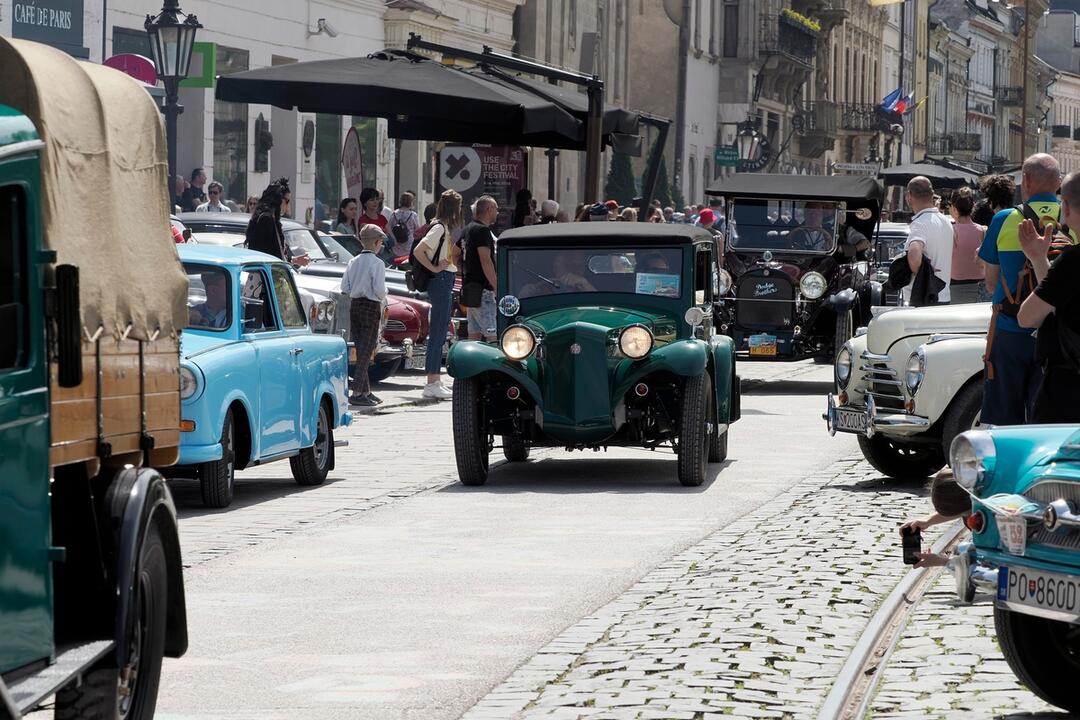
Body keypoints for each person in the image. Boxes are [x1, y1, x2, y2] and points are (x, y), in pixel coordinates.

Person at [979, 153, 1062, 426]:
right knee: (1050, 417)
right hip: (1058, 334)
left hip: (1010, 328)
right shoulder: (1072, 219)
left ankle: (1005, 467)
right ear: (1058, 183)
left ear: (1025, 180)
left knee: (1003, 417)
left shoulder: (1005, 219)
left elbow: (991, 280)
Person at [1016, 170, 1080, 423]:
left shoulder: (1073, 261)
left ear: (1064, 205)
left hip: (1069, 389)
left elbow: (1027, 317)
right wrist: (1039, 259)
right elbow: (1057, 301)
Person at [414, 189, 463, 399]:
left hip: (444, 278)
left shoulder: (440, 227)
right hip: (441, 279)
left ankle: (435, 379)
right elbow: (419, 250)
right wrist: (435, 268)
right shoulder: (440, 228)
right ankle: (431, 381)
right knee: (438, 331)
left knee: (442, 329)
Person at [341, 225, 389, 407]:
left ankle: (366, 390)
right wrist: (385, 292)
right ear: (377, 242)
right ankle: (356, 392)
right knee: (367, 351)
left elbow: (345, 288)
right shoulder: (377, 264)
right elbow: (378, 290)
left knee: (362, 348)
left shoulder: (353, 261)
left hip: (355, 306)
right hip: (370, 306)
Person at [899, 470, 972, 568]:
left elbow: (988, 564)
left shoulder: (991, 523)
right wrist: (927, 520)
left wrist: (943, 561)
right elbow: (964, 508)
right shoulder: (980, 490)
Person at [904, 176, 954, 306]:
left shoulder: (920, 223)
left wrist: (925, 273)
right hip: (943, 295)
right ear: (932, 195)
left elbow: (914, 255)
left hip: (923, 297)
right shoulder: (946, 222)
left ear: (909, 196)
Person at [245, 178, 308, 266]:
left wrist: (293, 260)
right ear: (278, 199)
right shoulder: (266, 219)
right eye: (287, 201)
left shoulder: (272, 219)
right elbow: (265, 255)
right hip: (265, 275)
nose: (288, 205)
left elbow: (275, 253)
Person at [462, 196, 499, 342]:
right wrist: (497, 287)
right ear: (489, 209)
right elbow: (486, 260)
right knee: (492, 336)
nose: (498, 213)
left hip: (471, 291)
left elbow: (455, 252)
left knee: (474, 336)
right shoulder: (483, 231)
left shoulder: (468, 229)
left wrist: (468, 269)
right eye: (496, 209)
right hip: (483, 291)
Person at [948, 187, 986, 304]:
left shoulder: (951, 231)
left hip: (955, 286)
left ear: (954, 208)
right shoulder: (983, 231)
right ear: (973, 206)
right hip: (980, 286)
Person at [389, 192, 421, 257]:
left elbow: (389, 227)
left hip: (396, 244)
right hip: (409, 245)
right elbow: (417, 230)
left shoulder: (394, 214)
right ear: (411, 202)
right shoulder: (413, 215)